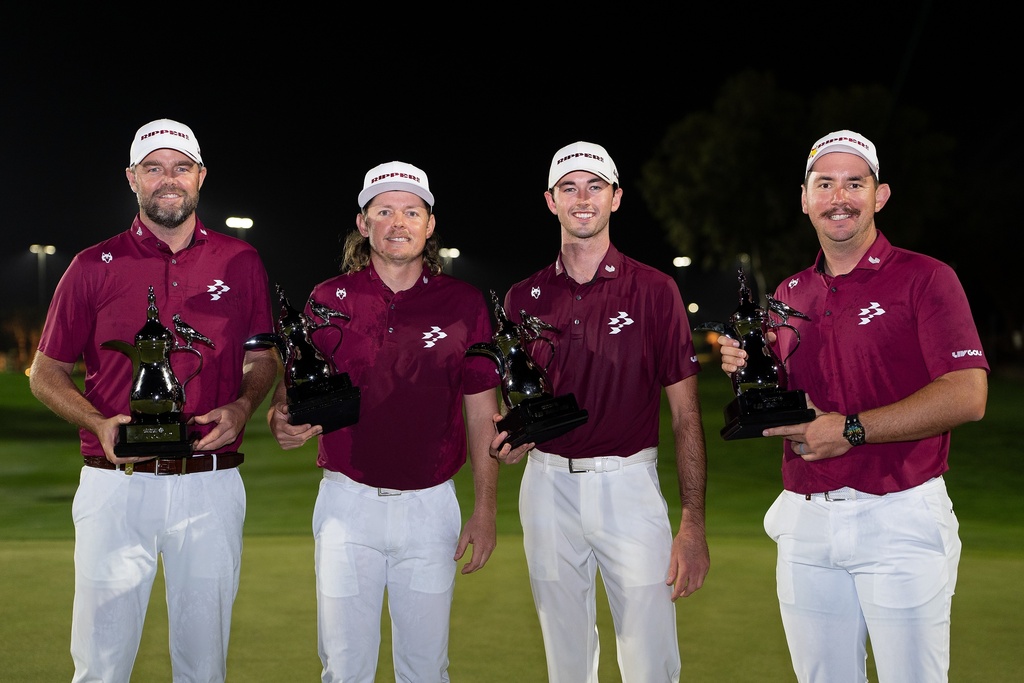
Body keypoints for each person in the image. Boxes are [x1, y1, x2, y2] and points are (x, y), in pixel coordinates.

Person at [717, 129, 989, 682]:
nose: (839, 197)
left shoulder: (926, 277)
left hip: (900, 515)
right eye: (825, 184)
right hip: (806, 519)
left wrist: (853, 430)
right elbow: (793, 399)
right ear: (805, 197)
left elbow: (968, 392)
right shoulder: (789, 294)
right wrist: (745, 365)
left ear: (879, 195)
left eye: (854, 183)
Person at [29, 118, 279, 682]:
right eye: (154, 168)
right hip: (115, 485)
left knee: (203, 667)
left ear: (200, 177)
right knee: (100, 667)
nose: (169, 180)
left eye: (180, 167)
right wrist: (98, 422)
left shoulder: (242, 262)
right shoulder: (92, 265)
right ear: (132, 179)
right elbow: (45, 373)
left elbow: (263, 359)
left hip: (210, 483)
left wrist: (242, 406)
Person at [267, 160, 501, 682]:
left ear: (430, 224)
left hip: (431, 507)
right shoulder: (328, 298)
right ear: (363, 222)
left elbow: (483, 409)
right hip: (347, 505)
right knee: (345, 669)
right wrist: (281, 421)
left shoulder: (464, 303)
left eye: (411, 211)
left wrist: (485, 509)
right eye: (385, 211)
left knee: (425, 669)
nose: (399, 222)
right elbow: (292, 395)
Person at [492, 141, 711, 682]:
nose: (582, 198)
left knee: (649, 655)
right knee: (564, 655)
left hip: (628, 485)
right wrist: (510, 437)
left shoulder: (656, 290)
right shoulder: (522, 298)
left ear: (615, 198)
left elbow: (685, 415)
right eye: (569, 188)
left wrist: (693, 522)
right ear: (550, 201)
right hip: (545, 488)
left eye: (594, 186)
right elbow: (510, 403)